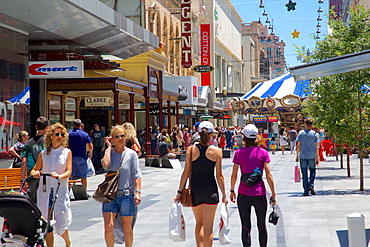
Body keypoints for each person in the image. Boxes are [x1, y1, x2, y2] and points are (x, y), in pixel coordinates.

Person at [175, 121, 227, 247]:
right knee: (208, 227)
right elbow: (219, 176)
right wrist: (225, 194)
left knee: (199, 224)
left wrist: (179, 191)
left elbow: (186, 173)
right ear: (211, 135)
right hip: (211, 190)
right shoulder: (217, 151)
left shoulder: (191, 150)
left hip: (195, 191)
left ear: (198, 133)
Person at [230, 124, 276, 247]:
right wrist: (273, 193)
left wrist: (232, 190)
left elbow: (234, 174)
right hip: (259, 193)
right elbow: (269, 174)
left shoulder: (238, 153)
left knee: (245, 226)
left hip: (243, 193)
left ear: (244, 137)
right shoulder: (263, 153)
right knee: (261, 225)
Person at [30, 123, 72, 247]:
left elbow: (69, 171)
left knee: (61, 223)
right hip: (45, 190)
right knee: (46, 222)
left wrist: (60, 176)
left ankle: (67, 242)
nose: (59, 136)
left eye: (62, 134)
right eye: (57, 134)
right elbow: (34, 169)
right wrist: (36, 173)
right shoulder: (44, 154)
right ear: (51, 136)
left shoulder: (67, 152)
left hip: (60, 190)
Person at [101, 125, 142, 247]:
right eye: (116, 136)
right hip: (110, 196)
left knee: (127, 227)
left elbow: (137, 174)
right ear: (112, 138)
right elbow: (106, 164)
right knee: (109, 227)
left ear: (126, 137)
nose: (120, 138)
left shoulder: (131, 154)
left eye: (122, 136)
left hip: (126, 195)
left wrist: (138, 192)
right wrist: (109, 147)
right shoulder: (110, 153)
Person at [21, 116, 50, 202]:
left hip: (32, 176)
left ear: (36, 127)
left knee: (34, 202)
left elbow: (23, 162)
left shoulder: (28, 143)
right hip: (47, 174)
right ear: (47, 128)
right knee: (46, 202)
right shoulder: (49, 142)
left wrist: (22, 181)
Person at [295, 118, 320, 196]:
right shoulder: (315, 134)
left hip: (303, 156)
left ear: (305, 124)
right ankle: (311, 184)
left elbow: (298, 145)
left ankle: (306, 190)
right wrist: (317, 157)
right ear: (312, 125)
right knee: (312, 171)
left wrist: (297, 155)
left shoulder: (301, 133)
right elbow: (317, 147)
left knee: (304, 173)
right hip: (312, 156)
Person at [68, 119, 93, 192]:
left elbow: (65, 144)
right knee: (83, 176)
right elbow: (90, 145)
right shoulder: (85, 134)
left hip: (71, 157)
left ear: (73, 125)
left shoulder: (69, 134)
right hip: (82, 157)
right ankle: (84, 191)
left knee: (70, 176)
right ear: (80, 125)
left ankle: (68, 191)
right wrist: (90, 153)